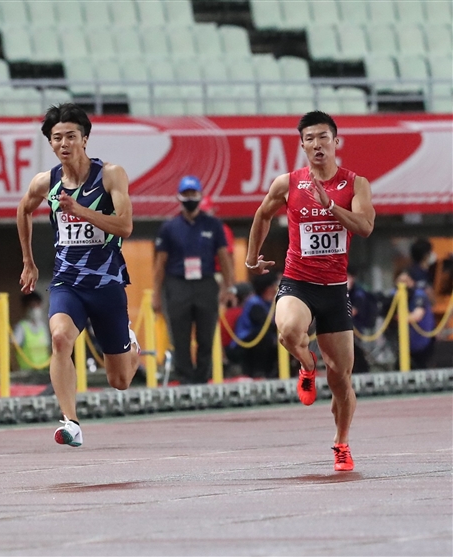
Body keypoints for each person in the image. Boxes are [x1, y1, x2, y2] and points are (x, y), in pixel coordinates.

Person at [245, 111, 375, 472]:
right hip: (297, 281)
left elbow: (365, 227)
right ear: (301, 145)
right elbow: (262, 215)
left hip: (334, 289)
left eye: (323, 137)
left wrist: (332, 207)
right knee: (287, 330)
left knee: (342, 380)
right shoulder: (288, 183)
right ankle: (306, 364)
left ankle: (341, 442)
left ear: (336, 141)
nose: (317, 144)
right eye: (310, 139)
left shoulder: (355, 184)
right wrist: (251, 257)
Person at [16, 103, 139, 448]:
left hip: (107, 283)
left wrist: (80, 211)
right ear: (51, 144)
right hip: (67, 282)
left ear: (85, 139)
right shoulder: (47, 181)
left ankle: (130, 345)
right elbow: (22, 209)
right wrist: (28, 261)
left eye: (71, 136)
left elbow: (125, 226)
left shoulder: (111, 175)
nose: (64, 143)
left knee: (120, 380)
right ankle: (71, 422)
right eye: (57, 138)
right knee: (59, 339)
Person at [153, 176, 235, 384]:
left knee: (206, 334)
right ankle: (186, 378)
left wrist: (229, 286)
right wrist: (156, 294)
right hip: (177, 283)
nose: (190, 198)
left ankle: (202, 377)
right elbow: (160, 263)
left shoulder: (213, 225)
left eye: (193, 194)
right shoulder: (169, 227)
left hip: (205, 283)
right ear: (180, 197)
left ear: (200, 195)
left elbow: (224, 257)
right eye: (186, 194)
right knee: (180, 335)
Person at [227, 273, 279, 379]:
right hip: (243, 346)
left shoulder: (269, 303)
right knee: (263, 336)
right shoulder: (254, 304)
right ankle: (258, 372)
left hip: (258, 344)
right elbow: (267, 326)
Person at [396, 270, 436, 369]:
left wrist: (400, 317)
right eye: (400, 281)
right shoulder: (397, 295)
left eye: (406, 281)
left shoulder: (419, 295)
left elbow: (417, 315)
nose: (403, 284)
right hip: (407, 343)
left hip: (422, 342)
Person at [347, 267, 377, 374]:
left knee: (356, 351)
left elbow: (353, 311)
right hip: (346, 329)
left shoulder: (359, 292)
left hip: (359, 328)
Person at [13, 292, 51, 372]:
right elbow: (13, 350)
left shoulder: (43, 327)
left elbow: (48, 349)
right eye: (31, 306)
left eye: (37, 305)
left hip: (44, 371)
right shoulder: (21, 327)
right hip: (26, 372)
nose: (35, 309)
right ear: (25, 308)